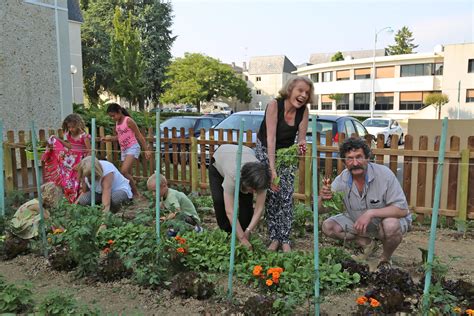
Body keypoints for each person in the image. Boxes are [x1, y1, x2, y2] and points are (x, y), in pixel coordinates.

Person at [319, 137, 411, 268]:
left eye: (359, 157)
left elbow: (402, 210)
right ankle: (368, 244)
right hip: (360, 223)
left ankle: (385, 259)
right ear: (345, 162)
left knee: (390, 225)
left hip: (385, 221)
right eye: (350, 158)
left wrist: (371, 213)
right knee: (328, 226)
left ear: (367, 158)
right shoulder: (342, 180)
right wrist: (323, 198)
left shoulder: (384, 175)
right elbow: (320, 210)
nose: (355, 163)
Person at [255, 76, 314, 252]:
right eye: (300, 91)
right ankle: (274, 238)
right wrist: (272, 169)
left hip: (286, 153)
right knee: (272, 194)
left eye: (307, 93)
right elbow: (271, 138)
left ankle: (285, 238)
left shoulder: (304, 111)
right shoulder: (274, 105)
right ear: (290, 90)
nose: (303, 95)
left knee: (286, 195)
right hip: (266, 149)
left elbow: (301, 139)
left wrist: (301, 146)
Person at [209, 144, 271, 249]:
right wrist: (242, 238)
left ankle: (242, 232)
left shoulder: (262, 178)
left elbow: (259, 208)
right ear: (245, 181)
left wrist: (247, 231)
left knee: (246, 204)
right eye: (252, 188)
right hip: (219, 161)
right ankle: (227, 233)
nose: (255, 192)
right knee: (219, 201)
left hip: (245, 158)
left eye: (256, 189)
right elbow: (230, 211)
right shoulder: (233, 174)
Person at [5, 182, 63, 259]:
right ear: (50, 196)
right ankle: (36, 241)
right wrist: (64, 230)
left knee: (44, 216)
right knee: (43, 218)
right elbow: (50, 219)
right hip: (18, 226)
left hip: (19, 223)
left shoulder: (36, 201)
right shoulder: (37, 205)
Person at [105, 103, 151, 197]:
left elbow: (139, 135)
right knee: (127, 173)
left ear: (119, 111)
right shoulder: (117, 123)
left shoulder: (128, 120)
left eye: (113, 115)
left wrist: (146, 150)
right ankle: (129, 193)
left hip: (132, 147)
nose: (112, 118)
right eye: (111, 117)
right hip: (124, 149)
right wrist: (110, 139)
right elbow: (120, 137)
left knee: (123, 171)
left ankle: (136, 193)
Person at [42, 113, 91, 203]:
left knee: (79, 179)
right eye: (69, 127)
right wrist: (58, 140)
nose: (71, 129)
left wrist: (83, 163)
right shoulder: (69, 135)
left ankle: (79, 199)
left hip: (81, 160)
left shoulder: (84, 136)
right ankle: (70, 198)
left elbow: (90, 151)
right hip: (70, 161)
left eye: (73, 127)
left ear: (78, 125)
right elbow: (70, 146)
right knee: (68, 180)